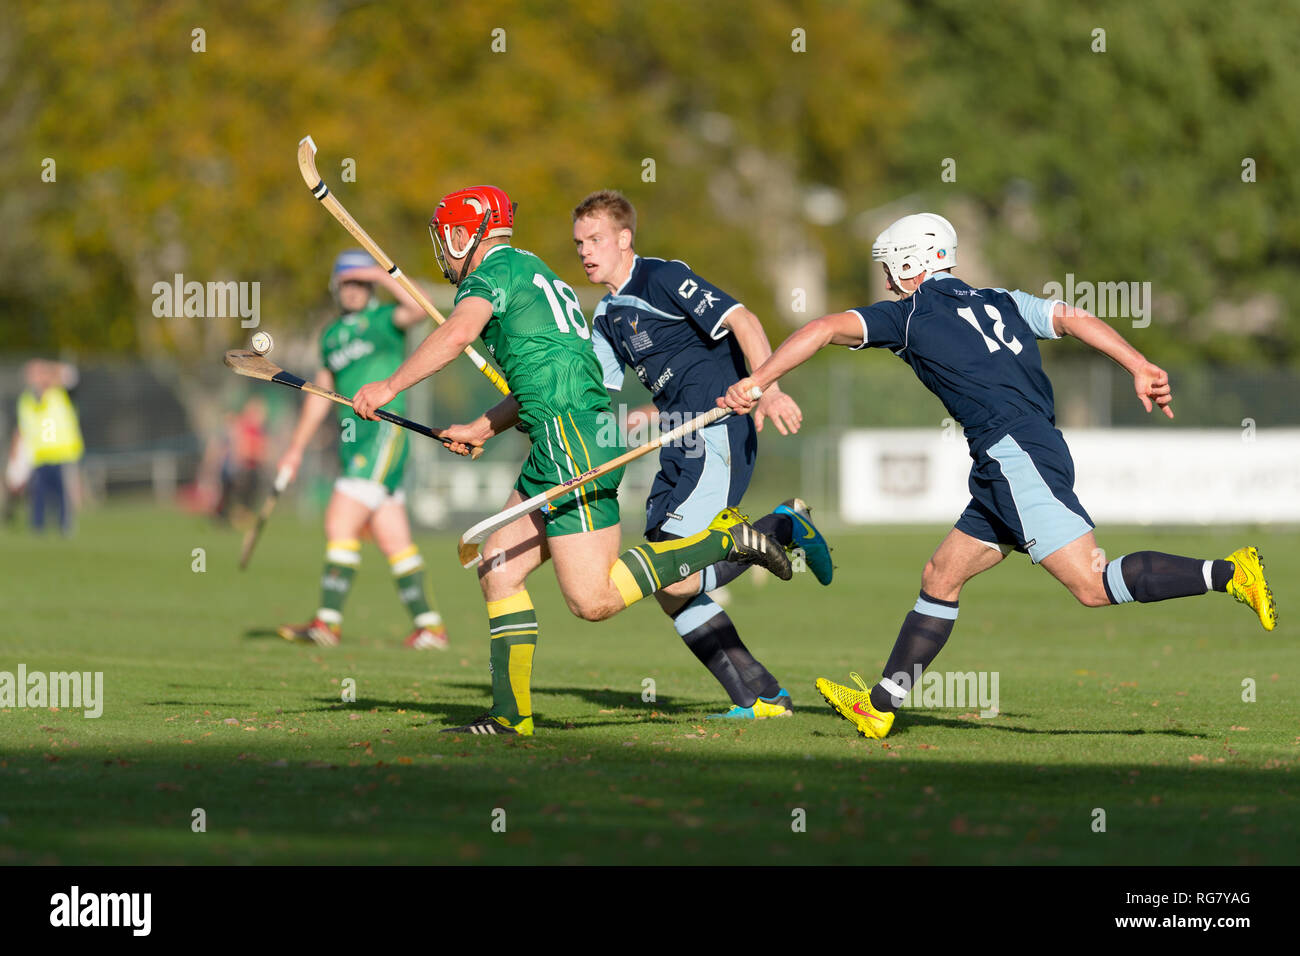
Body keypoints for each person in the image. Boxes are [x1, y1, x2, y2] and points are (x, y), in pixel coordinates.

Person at [722, 212, 1278, 739]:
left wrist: (758, 381)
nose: (888, 281)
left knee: (1092, 584)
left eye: (891, 267)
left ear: (914, 265)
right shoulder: (1000, 300)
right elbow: (1070, 316)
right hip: (1021, 453)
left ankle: (1230, 573)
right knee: (941, 574)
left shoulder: (910, 315)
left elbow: (821, 328)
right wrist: (1137, 363)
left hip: (1014, 455)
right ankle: (880, 706)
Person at [352, 186, 792, 736]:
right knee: (498, 565)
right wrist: (480, 426)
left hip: (572, 445)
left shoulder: (492, 275)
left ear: (467, 235)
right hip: (555, 441)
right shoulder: (529, 270)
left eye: (445, 239)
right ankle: (511, 717)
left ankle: (724, 543)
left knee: (593, 600)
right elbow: (551, 377)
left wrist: (390, 385)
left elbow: (456, 331)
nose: (443, 251)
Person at [572, 189, 833, 719]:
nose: (585, 251)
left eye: (595, 239)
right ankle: (761, 697)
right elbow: (592, 389)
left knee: (673, 571)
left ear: (624, 239)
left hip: (718, 426)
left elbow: (745, 321)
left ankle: (782, 528)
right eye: (579, 242)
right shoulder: (606, 315)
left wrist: (770, 387)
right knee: (671, 587)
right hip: (676, 438)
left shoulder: (663, 278)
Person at [276, 250, 451, 652]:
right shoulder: (329, 336)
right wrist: (295, 449)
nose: (353, 290)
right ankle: (430, 628)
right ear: (336, 287)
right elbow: (319, 395)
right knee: (394, 539)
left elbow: (418, 307)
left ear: (369, 286)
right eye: (346, 282)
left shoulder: (384, 319)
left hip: (385, 430)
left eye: (360, 283)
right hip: (354, 438)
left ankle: (327, 623)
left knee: (339, 522)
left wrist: (380, 271)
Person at [15, 360, 83, 535]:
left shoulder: (60, 393)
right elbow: (24, 427)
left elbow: (71, 374)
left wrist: (51, 370)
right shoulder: (27, 399)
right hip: (39, 455)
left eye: (40, 373)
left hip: (62, 454)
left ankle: (64, 527)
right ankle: (38, 527)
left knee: (62, 494)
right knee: (38, 494)